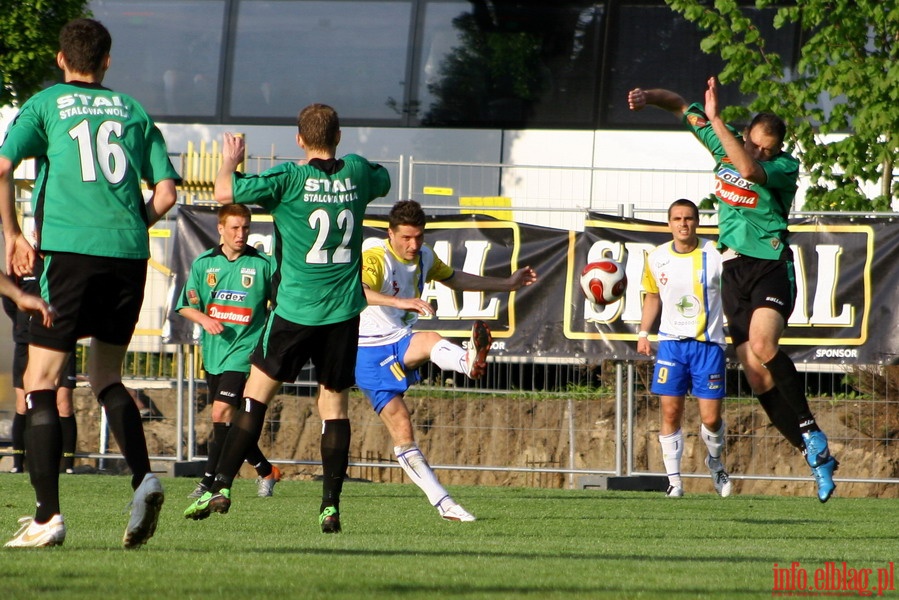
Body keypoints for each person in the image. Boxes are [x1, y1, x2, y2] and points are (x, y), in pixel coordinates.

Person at [0, 18, 180, 548]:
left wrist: (12, 234)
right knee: (107, 377)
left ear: (60, 59)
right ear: (106, 61)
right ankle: (145, 478)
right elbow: (166, 194)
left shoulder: (46, 103)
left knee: (40, 382)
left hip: (69, 253)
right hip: (128, 255)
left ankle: (47, 517)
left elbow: (2, 167)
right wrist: (126, 225)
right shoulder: (133, 110)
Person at [627, 77, 838, 502]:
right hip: (734, 272)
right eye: (757, 144)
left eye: (769, 148)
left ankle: (811, 430)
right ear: (748, 136)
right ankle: (816, 457)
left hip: (771, 267)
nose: (762, 152)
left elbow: (747, 169)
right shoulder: (723, 142)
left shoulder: (783, 167)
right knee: (758, 377)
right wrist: (651, 96)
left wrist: (717, 119)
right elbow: (679, 103)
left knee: (762, 343)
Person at [183, 103, 391, 534]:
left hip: (295, 310)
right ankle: (330, 505)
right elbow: (382, 176)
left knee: (255, 396)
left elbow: (224, 194)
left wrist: (231, 160)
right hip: (343, 314)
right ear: (339, 135)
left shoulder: (288, 178)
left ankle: (219, 485)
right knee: (333, 406)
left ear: (299, 139)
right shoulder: (356, 171)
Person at [356, 199, 537, 521]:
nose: (413, 245)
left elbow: (455, 278)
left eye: (419, 237)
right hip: (368, 350)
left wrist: (507, 285)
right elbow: (360, 291)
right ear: (391, 234)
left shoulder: (425, 256)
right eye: (406, 238)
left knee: (427, 344)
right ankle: (466, 361)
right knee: (402, 427)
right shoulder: (375, 257)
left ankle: (445, 505)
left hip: (399, 340)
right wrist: (403, 302)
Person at [176, 204, 282, 499]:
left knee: (221, 411)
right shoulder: (204, 264)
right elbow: (185, 305)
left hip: (245, 353)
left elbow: (280, 306)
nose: (241, 233)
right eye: (234, 228)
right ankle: (265, 470)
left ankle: (209, 481)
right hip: (214, 354)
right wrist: (205, 319)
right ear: (220, 229)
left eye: (245, 227)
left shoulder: (263, 264)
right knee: (229, 421)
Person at [637, 199, 731, 498]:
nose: (683, 223)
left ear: (697, 222)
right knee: (670, 411)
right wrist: (643, 333)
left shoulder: (715, 253)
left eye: (688, 218)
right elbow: (653, 296)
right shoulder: (656, 257)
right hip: (671, 346)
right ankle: (675, 481)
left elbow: (736, 290)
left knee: (711, 418)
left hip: (708, 345)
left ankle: (714, 462)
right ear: (669, 224)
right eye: (677, 218)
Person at [2, 261, 78, 475]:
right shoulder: (23, 262)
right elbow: (10, 299)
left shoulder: (62, 261)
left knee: (63, 404)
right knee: (23, 404)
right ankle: (18, 463)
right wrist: (21, 322)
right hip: (26, 342)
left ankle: (67, 466)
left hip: (61, 339)